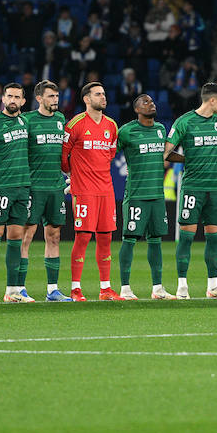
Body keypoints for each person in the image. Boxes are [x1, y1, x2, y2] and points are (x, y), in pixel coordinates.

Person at [164, 82, 217, 299]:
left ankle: (213, 286)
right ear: (212, 100)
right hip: (192, 188)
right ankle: (182, 286)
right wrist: (188, 159)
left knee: (214, 238)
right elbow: (166, 152)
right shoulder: (184, 121)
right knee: (186, 238)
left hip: (214, 188)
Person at [61, 82, 121, 301]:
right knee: (83, 236)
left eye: (104, 93)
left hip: (106, 189)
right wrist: (75, 177)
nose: (103, 97)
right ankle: (76, 289)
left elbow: (110, 154)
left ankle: (105, 288)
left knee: (106, 237)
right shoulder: (75, 124)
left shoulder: (112, 125)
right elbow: (63, 159)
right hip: (84, 191)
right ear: (86, 99)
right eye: (98, 94)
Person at [0, 83, 35, 304]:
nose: (13, 100)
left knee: (15, 238)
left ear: (22, 101)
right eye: (9, 96)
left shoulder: (27, 122)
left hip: (23, 187)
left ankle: (12, 291)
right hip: (1, 186)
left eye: (17, 97)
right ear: (3, 99)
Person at [115, 94, 176, 300]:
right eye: (146, 102)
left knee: (156, 240)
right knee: (130, 239)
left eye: (152, 102)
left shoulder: (160, 129)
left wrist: (190, 159)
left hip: (157, 196)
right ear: (137, 109)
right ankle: (125, 288)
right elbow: (108, 154)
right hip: (136, 195)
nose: (152, 105)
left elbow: (166, 154)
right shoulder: (126, 131)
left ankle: (158, 288)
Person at [21, 80, 71, 302]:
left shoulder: (61, 120)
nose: (55, 101)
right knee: (26, 236)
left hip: (55, 187)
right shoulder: (27, 120)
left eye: (57, 97)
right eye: (51, 97)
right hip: (34, 187)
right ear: (39, 98)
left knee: (54, 236)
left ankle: (53, 289)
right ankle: (17, 288)